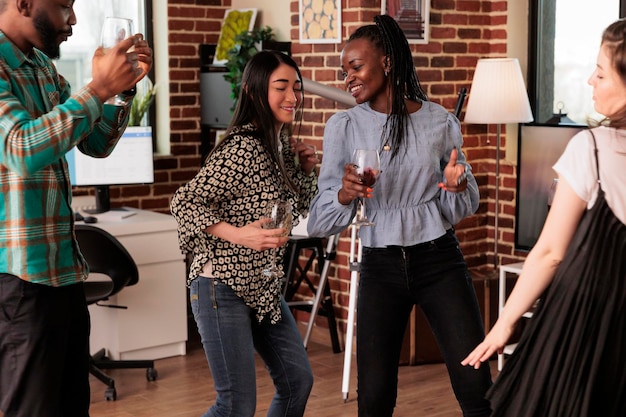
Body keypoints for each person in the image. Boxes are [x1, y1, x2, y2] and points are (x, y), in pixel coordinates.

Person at [307, 14, 492, 417]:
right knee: (374, 397)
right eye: (344, 71)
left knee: (475, 384)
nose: (348, 79)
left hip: (439, 259)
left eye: (356, 67)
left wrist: (457, 186)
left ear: (387, 61)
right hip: (379, 264)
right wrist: (343, 194)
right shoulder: (344, 126)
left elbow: (459, 206)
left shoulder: (440, 121)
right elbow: (321, 220)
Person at [462, 19, 626, 417]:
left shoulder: (593, 149)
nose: (590, 80)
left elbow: (550, 252)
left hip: (583, 329)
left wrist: (504, 324)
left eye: (601, 73)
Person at [0, 1, 152, 416]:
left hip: (63, 272)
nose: (74, 19)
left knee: (69, 406)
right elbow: (21, 147)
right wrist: (97, 88)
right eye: (64, 6)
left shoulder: (43, 69)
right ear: (24, 3)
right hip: (19, 279)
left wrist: (121, 89)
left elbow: (97, 142)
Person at [170, 50, 317, 417]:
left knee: (297, 382)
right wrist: (239, 235)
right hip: (220, 286)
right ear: (254, 92)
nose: (292, 97)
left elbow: (300, 205)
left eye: (296, 88)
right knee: (235, 406)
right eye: (280, 87)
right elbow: (183, 202)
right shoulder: (243, 148)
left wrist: (304, 169)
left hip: (262, 287)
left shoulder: (278, 145)